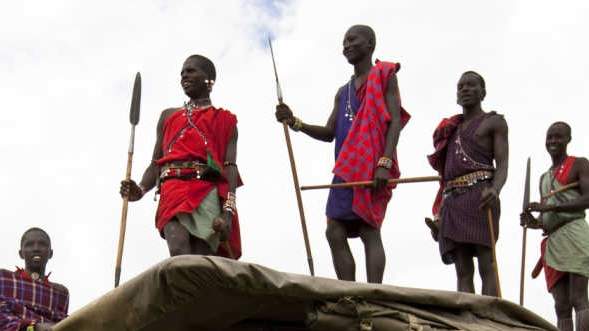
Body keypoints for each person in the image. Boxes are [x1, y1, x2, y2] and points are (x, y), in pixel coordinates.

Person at [274, 25, 408, 283]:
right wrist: (295, 122)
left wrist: (385, 161)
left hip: (372, 163)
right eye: (343, 41)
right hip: (346, 167)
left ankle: (375, 293)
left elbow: (394, 121)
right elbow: (329, 132)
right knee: (334, 230)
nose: (345, 45)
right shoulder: (342, 92)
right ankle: (349, 292)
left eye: (352, 39)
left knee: (369, 228)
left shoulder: (384, 76)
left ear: (370, 44)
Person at [120, 55, 242, 259]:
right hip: (172, 189)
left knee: (200, 262)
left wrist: (227, 213)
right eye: (182, 72)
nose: (184, 74)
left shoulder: (225, 120)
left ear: (209, 79)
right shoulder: (168, 116)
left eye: (191, 70)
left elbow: (230, 169)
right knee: (178, 251)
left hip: (206, 193)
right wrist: (140, 190)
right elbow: (155, 164)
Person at [426, 71, 508, 297]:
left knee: (486, 261)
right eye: (460, 86)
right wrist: (440, 213)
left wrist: (495, 190)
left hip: (480, 195)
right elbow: (445, 174)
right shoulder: (450, 129)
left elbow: (503, 164)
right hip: (452, 200)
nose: (465, 89)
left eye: (471, 85)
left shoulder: (494, 122)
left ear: (483, 92)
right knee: (462, 268)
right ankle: (467, 318)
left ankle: (490, 315)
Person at [521, 123, 589, 331]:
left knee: (578, 298)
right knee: (561, 305)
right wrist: (533, 221)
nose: (553, 141)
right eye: (549, 137)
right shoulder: (544, 178)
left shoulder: (579, 164)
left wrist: (550, 206)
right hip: (554, 239)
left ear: (568, 139)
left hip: (574, 232)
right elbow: (546, 220)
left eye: (558, 137)